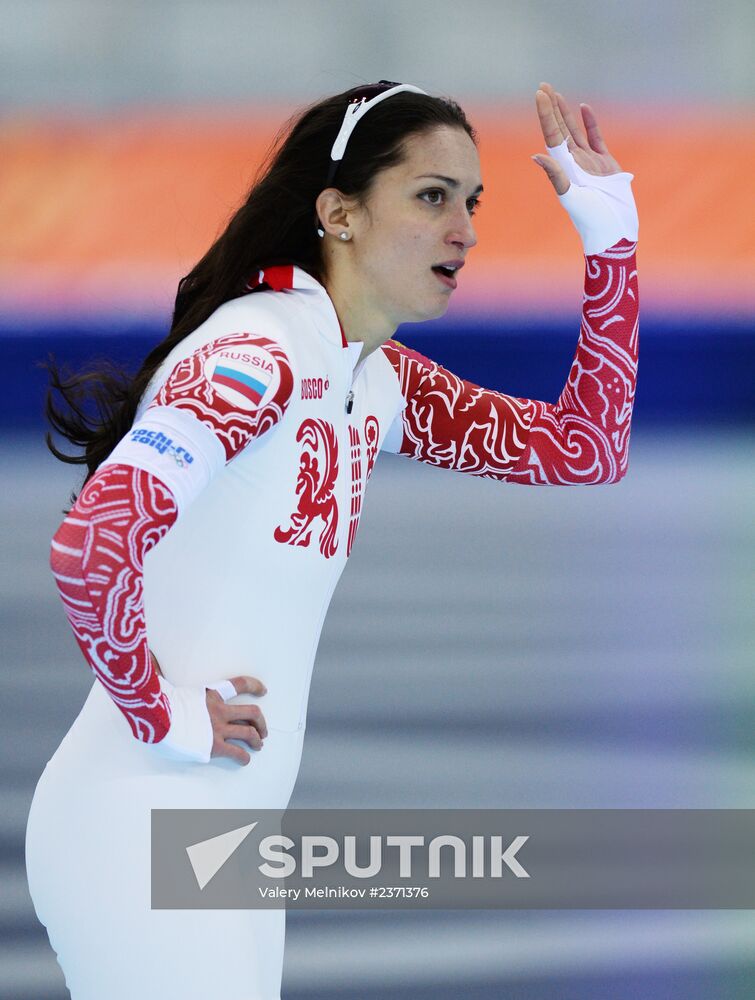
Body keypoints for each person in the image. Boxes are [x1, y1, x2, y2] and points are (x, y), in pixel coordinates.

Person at [25, 79, 639, 998]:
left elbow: (581, 450)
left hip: (215, 840)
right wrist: (161, 712)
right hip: (138, 826)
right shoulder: (258, 355)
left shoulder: (369, 373)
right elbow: (92, 543)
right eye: (431, 197)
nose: (464, 230)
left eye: (471, 202)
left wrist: (611, 242)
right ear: (338, 211)